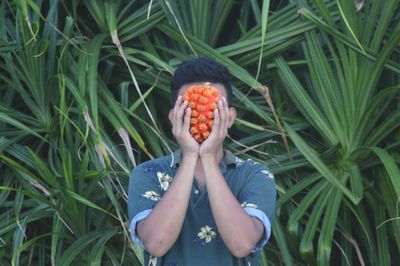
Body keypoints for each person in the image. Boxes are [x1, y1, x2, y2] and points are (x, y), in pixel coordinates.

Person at [128, 57, 276, 266]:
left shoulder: (255, 174)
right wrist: (190, 156)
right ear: (174, 117)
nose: (202, 116)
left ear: (230, 117)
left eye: (215, 108)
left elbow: (242, 244)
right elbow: (156, 243)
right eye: (190, 109)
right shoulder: (148, 173)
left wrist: (207, 157)